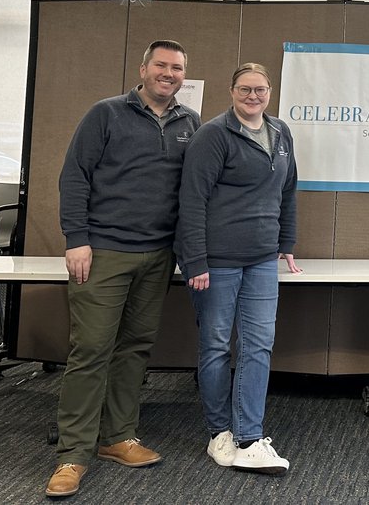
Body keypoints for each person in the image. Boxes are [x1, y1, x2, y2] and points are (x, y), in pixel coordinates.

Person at [47, 40, 200, 498]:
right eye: (161, 65)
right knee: (91, 349)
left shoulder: (190, 123)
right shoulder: (106, 113)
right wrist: (77, 240)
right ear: (144, 68)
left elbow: (192, 192)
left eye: (176, 68)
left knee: (134, 348)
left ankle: (117, 438)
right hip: (105, 252)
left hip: (158, 256)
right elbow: (75, 175)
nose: (168, 73)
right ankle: (73, 455)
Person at [176, 62, 300, 476]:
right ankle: (219, 433)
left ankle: (248, 436)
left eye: (260, 90)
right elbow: (191, 200)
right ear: (231, 92)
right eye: (245, 89)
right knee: (216, 346)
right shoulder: (213, 135)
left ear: (270, 92)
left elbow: (288, 190)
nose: (253, 96)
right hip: (217, 261)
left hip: (262, 258)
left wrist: (286, 243)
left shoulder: (280, 132)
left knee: (258, 345)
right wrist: (194, 259)